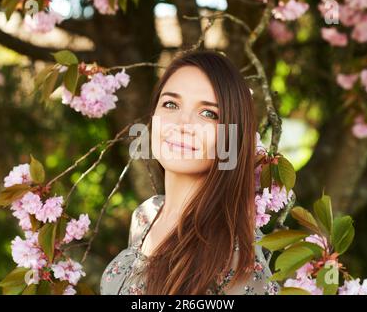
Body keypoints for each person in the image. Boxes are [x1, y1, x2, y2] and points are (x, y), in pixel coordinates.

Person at [100, 49, 279, 295]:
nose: (182, 124)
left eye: (208, 113)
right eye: (170, 104)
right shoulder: (146, 216)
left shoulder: (235, 252)